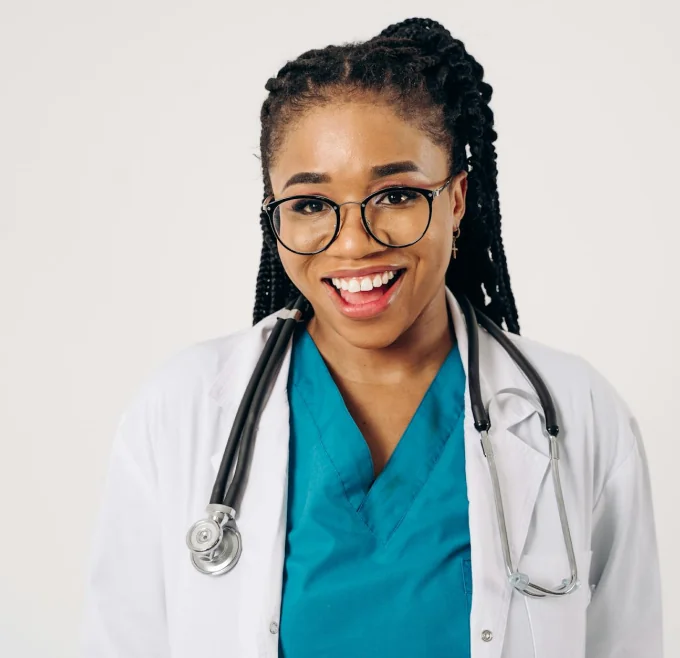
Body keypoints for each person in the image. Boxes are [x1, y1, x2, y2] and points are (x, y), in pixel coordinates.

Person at [80, 16, 663, 658]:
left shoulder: (576, 412)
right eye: (309, 204)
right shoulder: (182, 411)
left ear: (458, 198)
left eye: (395, 195)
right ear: (274, 215)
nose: (354, 242)